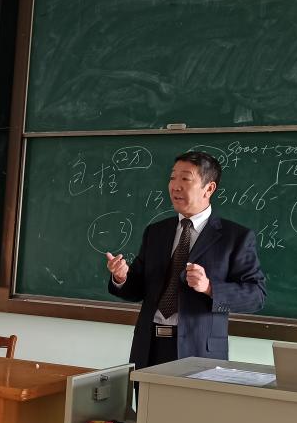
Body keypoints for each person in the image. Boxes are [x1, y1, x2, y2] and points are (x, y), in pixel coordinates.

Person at [105, 151, 266, 368]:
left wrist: (209, 287)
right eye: (172, 178)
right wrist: (122, 277)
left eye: (185, 179)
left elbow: (256, 295)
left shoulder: (235, 237)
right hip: (149, 347)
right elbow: (137, 290)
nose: (175, 186)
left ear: (209, 188)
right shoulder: (156, 232)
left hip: (199, 351)